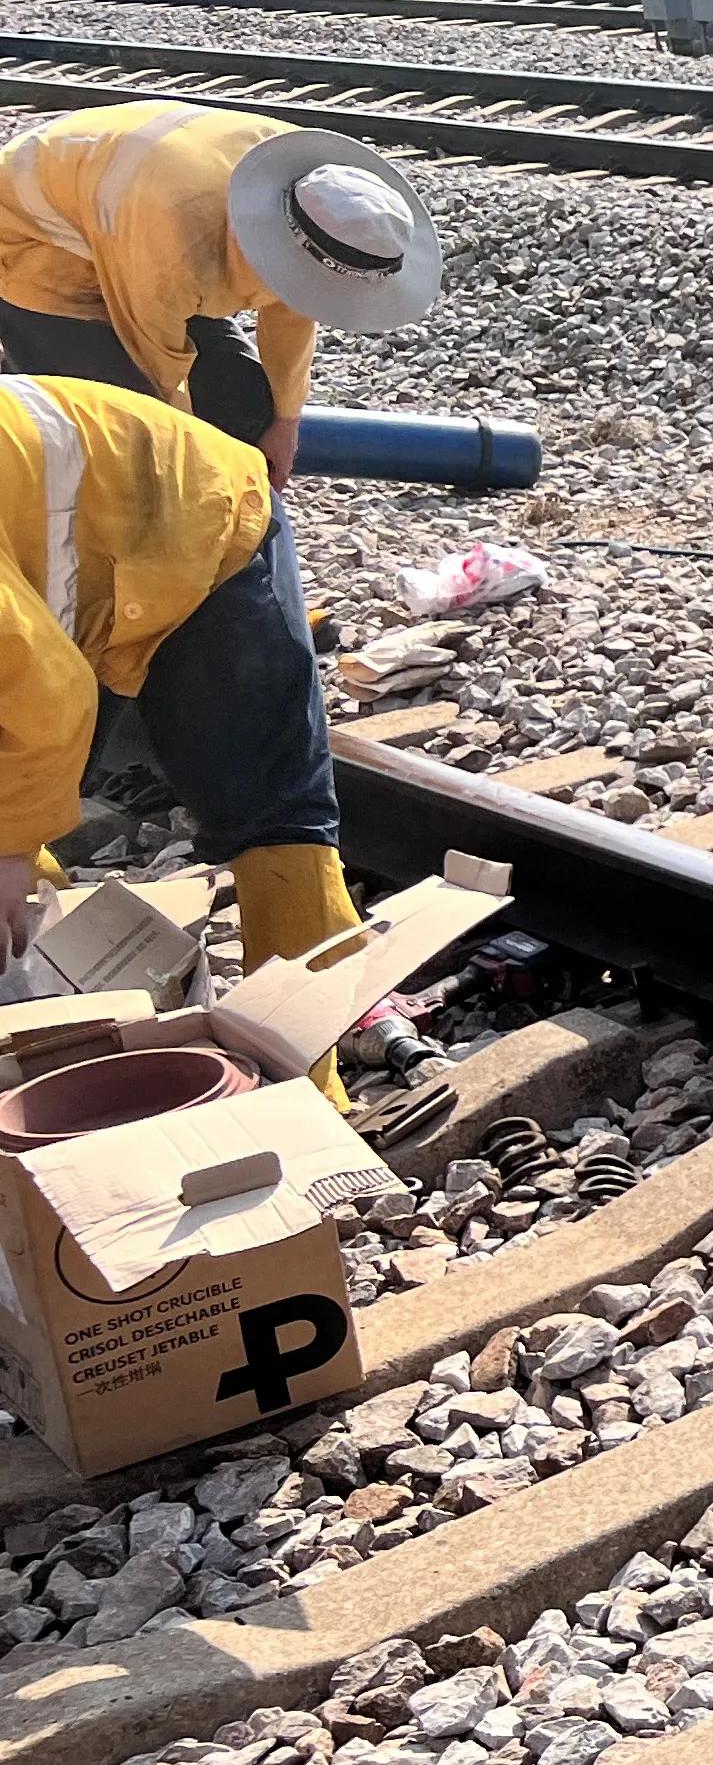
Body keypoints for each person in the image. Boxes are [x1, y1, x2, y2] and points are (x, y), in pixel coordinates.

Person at [3, 375, 359, 1089]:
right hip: (92, 570)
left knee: (273, 820)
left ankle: (313, 1093)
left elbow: (50, 698)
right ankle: (60, 1027)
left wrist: (7, 850)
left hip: (205, 519)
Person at [0, 102, 442, 479]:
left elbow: (295, 307)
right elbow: (158, 378)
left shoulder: (312, 193)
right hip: (32, 244)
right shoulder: (175, 241)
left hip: (129, 231)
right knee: (125, 436)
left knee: (244, 407)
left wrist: (286, 423)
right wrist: (198, 476)